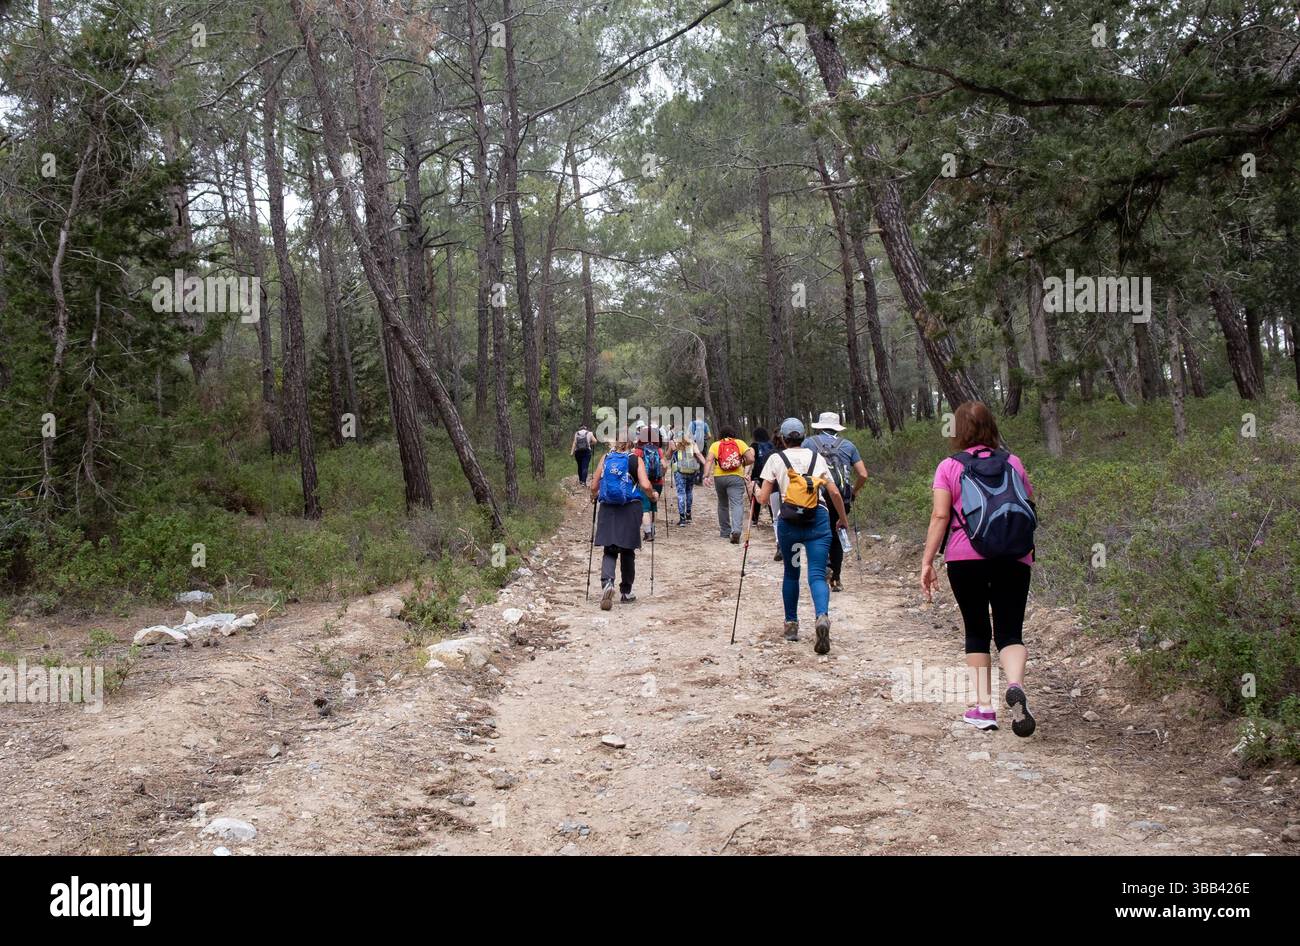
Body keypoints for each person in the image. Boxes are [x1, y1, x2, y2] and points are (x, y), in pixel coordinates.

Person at [920, 401, 1037, 737]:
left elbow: (941, 516)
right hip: (1014, 556)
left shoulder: (948, 466)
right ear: (992, 426)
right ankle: (1014, 684)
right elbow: (1025, 505)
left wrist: (927, 561)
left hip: (964, 556)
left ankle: (984, 707)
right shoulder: (1013, 462)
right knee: (1010, 631)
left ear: (957, 430)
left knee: (976, 630)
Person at [755, 417, 848, 653]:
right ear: (803, 437)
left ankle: (791, 624)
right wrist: (842, 519)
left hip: (790, 526)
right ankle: (822, 617)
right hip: (817, 523)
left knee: (792, 573)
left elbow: (764, 499)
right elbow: (834, 491)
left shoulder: (776, 459)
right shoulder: (816, 458)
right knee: (817, 574)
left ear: (784, 439)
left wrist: (754, 489)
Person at [591, 430, 659, 610]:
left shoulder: (606, 458)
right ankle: (626, 592)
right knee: (627, 550)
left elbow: (594, 485)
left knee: (610, 548)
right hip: (630, 507)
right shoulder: (635, 459)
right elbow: (644, 484)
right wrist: (652, 495)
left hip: (608, 508)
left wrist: (593, 496)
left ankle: (607, 583)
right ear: (632, 443)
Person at [802, 412, 868, 593]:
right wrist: (853, 492)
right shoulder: (848, 445)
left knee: (818, 535)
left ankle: (823, 569)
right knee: (837, 536)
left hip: (817, 497)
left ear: (820, 426)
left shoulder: (808, 443)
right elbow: (863, 474)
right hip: (842, 496)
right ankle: (836, 579)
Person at [702, 425, 753, 543]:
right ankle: (736, 530)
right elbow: (751, 458)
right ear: (733, 434)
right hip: (736, 477)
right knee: (737, 504)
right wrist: (741, 463)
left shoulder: (715, 445)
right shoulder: (740, 443)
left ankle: (725, 531)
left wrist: (706, 475)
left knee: (723, 504)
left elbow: (709, 460)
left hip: (719, 477)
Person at [633, 425, 666, 542]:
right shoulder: (659, 450)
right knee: (653, 506)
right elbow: (665, 465)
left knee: (644, 508)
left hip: (644, 482)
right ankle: (653, 530)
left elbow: (634, 466)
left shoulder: (638, 451)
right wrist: (662, 475)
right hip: (658, 482)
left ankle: (648, 534)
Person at [668, 433, 706, 525]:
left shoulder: (675, 443)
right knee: (689, 491)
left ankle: (682, 519)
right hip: (691, 470)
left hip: (679, 470)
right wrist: (706, 464)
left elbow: (668, 456)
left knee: (681, 493)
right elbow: (699, 455)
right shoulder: (692, 443)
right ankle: (688, 514)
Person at [749, 428, 776, 526]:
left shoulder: (754, 445)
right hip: (771, 474)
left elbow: (751, 458)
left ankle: (754, 519)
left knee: (755, 496)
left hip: (757, 474)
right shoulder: (772, 445)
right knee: (771, 496)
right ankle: (774, 518)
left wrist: (747, 473)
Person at [687, 416, 710, 485]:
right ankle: (700, 480)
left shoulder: (692, 423)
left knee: (694, 460)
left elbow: (688, 435)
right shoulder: (705, 424)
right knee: (702, 461)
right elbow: (709, 436)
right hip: (703, 445)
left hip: (694, 444)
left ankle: (694, 479)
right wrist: (704, 438)